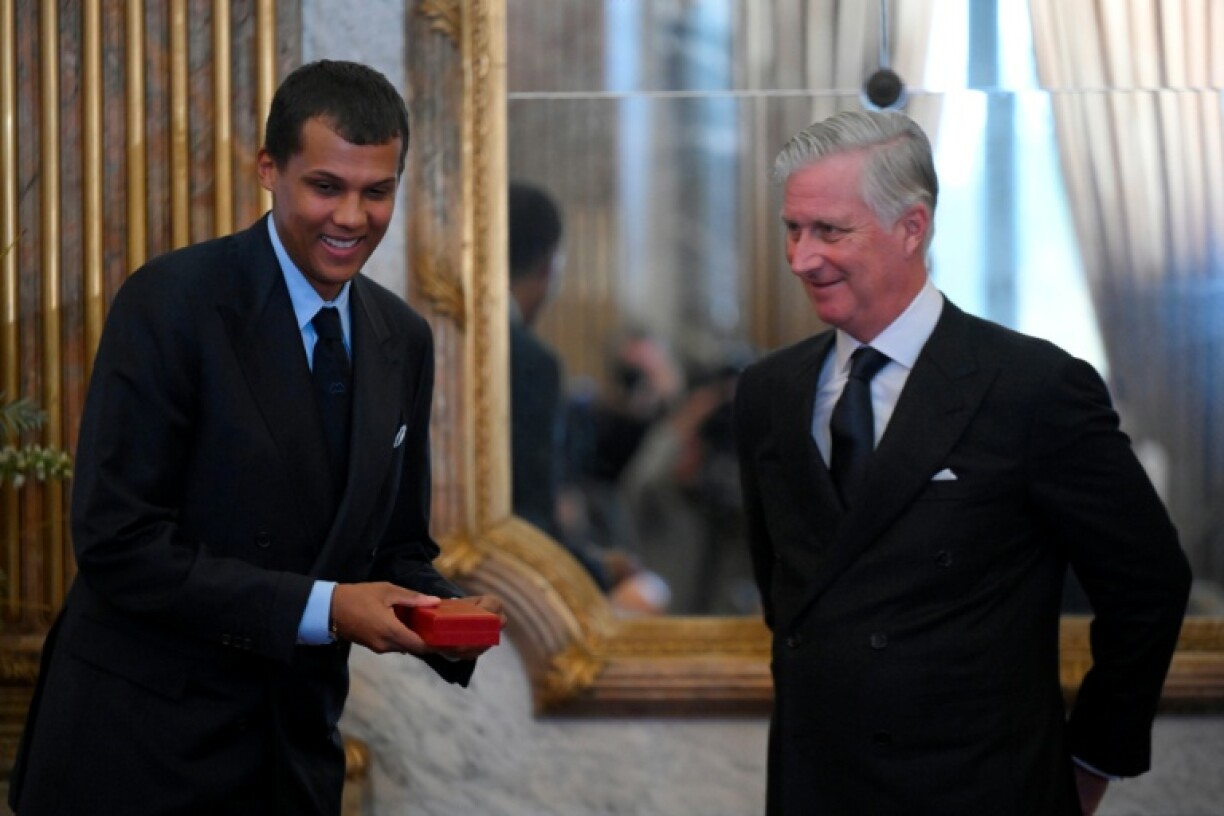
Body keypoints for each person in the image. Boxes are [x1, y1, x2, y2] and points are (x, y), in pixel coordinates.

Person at [8, 60, 503, 815]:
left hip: (291, 756)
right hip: (140, 755)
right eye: (326, 187)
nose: (352, 217)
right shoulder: (171, 302)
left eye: (377, 192)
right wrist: (330, 608)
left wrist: (442, 618)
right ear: (268, 171)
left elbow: (394, 546)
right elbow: (118, 543)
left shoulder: (400, 336)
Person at [733, 110, 1191, 815]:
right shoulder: (769, 392)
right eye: (793, 229)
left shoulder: (1033, 388)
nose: (801, 258)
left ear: (912, 228)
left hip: (982, 790)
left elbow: (1150, 585)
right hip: (815, 788)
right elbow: (787, 591)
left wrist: (1093, 756)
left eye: (830, 231)